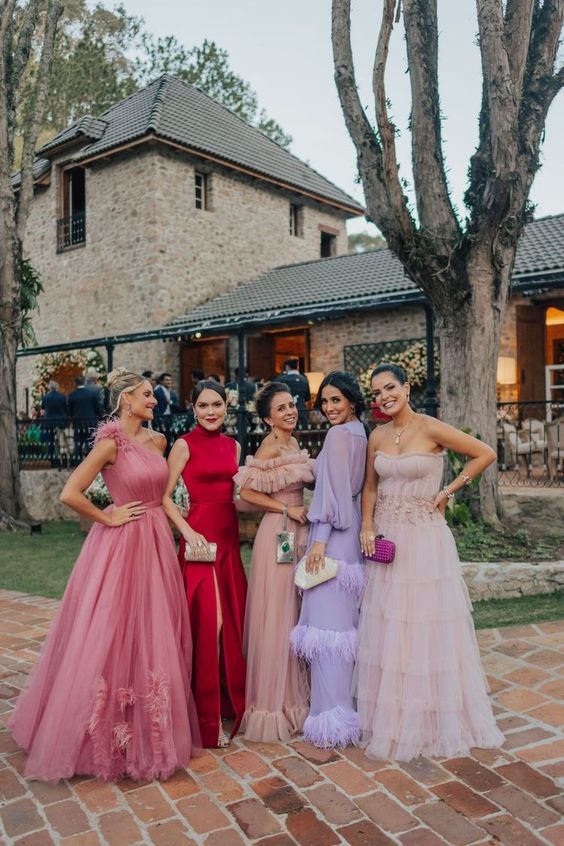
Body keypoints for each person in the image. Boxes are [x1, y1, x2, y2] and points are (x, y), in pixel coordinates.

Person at [9, 368, 201, 781]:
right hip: (121, 544)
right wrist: (108, 519)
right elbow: (70, 493)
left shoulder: (159, 440)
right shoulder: (110, 444)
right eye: (147, 395)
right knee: (112, 627)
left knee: (152, 628)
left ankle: (146, 727)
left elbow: (163, 493)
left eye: (153, 395)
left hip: (156, 544)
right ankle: (100, 733)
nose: (154, 401)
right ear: (125, 399)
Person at [356, 363, 504, 761]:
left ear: (406, 388)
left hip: (424, 535)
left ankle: (432, 715)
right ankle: (394, 714)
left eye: (391, 387)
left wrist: (450, 491)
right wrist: (367, 525)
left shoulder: (431, 427)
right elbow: (370, 486)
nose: (385, 396)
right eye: (378, 392)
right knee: (389, 625)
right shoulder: (378, 435)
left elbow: (484, 453)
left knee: (424, 623)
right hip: (387, 536)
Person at [163, 380, 247, 748]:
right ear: (193, 409)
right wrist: (186, 531)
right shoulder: (183, 445)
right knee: (207, 625)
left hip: (228, 541)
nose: (210, 412)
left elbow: (236, 496)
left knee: (231, 623)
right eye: (203, 406)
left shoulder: (235, 446)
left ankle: (229, 704)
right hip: (199, 542)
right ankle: (204, 718)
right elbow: (163, 497)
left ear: (225, 407)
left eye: (216, 404)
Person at [290, 371, 367, 748]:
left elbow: (331, 496)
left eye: (337, 400)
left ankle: (330, 718)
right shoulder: (361, 433)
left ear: (352, 400)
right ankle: (345, 709)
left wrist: (317, 542)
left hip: (332, 539)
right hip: (352, 541)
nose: (329, 407)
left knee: (326, 635)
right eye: (324, 402)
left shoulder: (338, 435)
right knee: (343, 632)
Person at [234, 382, 314, 742]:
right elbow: (247, 492)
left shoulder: (293, 443)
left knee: (296, 608)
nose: (290, 411)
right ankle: (276, 702)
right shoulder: (269, 447)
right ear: (268, 418)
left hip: (298, 532)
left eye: (291, 405)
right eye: (281, 408)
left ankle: (299, 691)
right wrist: (286, 508)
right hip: (279, 532)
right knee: (279, 611)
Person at [68, 374, 104, 463]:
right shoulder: (91, 394)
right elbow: (97, 408)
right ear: (84, 382)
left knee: (78, 443)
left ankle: (77, 463)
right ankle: (92, 462)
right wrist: (101, 417)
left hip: (78, 423)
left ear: (75, 384)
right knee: (91, 443)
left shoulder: (72, 395)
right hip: (91, 423)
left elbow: (69, 412)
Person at [277, 358, 311, 427]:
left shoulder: (281, 379)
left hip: (287, 413)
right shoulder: (304, 379)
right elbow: (308, 397)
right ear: (297, 367)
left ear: (287, 367)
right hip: (302, 411)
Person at [40, 380, 67, 465]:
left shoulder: (45, 397)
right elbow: (65, 410)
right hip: (60, 423)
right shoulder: (62, 397)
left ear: (49, 388)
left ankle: (52, 461)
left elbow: (42, 411)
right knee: (62, 443)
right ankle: (64, 460)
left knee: (50, 442)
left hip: (49, 423)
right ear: (57, 387)